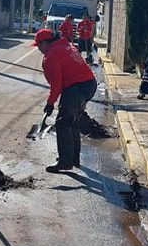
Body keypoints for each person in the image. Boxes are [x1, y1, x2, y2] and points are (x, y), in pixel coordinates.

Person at [32, 28, 98, 173]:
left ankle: (65, 162)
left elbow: (57, 84)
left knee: (63, 122)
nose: (38, 49)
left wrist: (50, 103)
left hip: (76, 86)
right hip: (88, 84)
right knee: (72, 121)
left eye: (39, 45)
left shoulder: (51, 55)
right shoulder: (65, 45)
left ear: (45, 42)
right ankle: (73, 159)